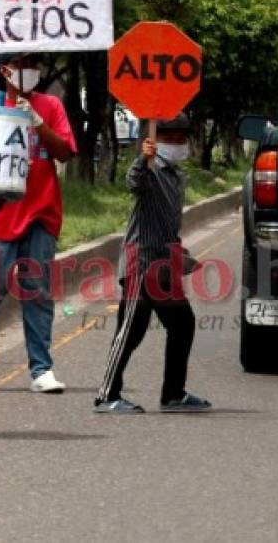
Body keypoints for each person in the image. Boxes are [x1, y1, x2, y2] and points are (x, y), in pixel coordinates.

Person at [0, 52, 77, 394]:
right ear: (5, 70)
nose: (31, 72)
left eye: (34, 65)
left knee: (37, 291)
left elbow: (65, 152)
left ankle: (42, 368)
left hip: (41, 213)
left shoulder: (52, 107)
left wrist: (39, 125)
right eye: (22, 65)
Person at [94, 113, 211, 414]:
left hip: (164, 266)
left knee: (183, 324)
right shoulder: (151, 171)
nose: (176, 142)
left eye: (180, 137)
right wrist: (141, 159)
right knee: (130, 330)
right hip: (140, 264)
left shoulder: (175, 176)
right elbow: (134, 182)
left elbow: (167, 224)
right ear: (156, 140)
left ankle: (173, 394)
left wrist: (180, 257)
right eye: (168, 137)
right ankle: (107, 396)